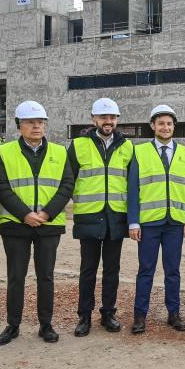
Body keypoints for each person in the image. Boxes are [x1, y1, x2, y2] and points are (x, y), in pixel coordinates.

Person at [0, 101, 74, 346]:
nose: (36, 126)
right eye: (30, 122)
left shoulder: (60, 152)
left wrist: (47, 213)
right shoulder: (5, 152)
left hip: (49, 225)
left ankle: (45, 324)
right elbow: (2, 187)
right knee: (16, 276)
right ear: (19, 125)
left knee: (46, 276)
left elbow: (67, 186)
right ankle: (13, 324)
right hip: (16, 225)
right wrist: (25, 214)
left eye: (40, 122)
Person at [128, 104, 185, 334]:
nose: (165, 127)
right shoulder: (139, 152)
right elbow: (133, 189)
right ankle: (140, 316)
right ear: (152, 126)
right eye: (161, 123)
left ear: (174, 126)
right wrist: (134, 221)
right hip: (148, 224)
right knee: (145, 270)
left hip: (175, 224)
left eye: (169, 123)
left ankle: (174, 313)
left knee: (173, 271)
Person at [68, 98, 132, 336]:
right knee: (88, 270)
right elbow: (69, 180)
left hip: (116, 217)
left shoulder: (127, 147)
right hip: (89, 217)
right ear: (93, 119)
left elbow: (131, 183)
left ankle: (108, 313)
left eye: (112, 117)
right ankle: (84, 316)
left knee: (112, 270)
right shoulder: (79, 145)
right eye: (104, 117)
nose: (108, 121)